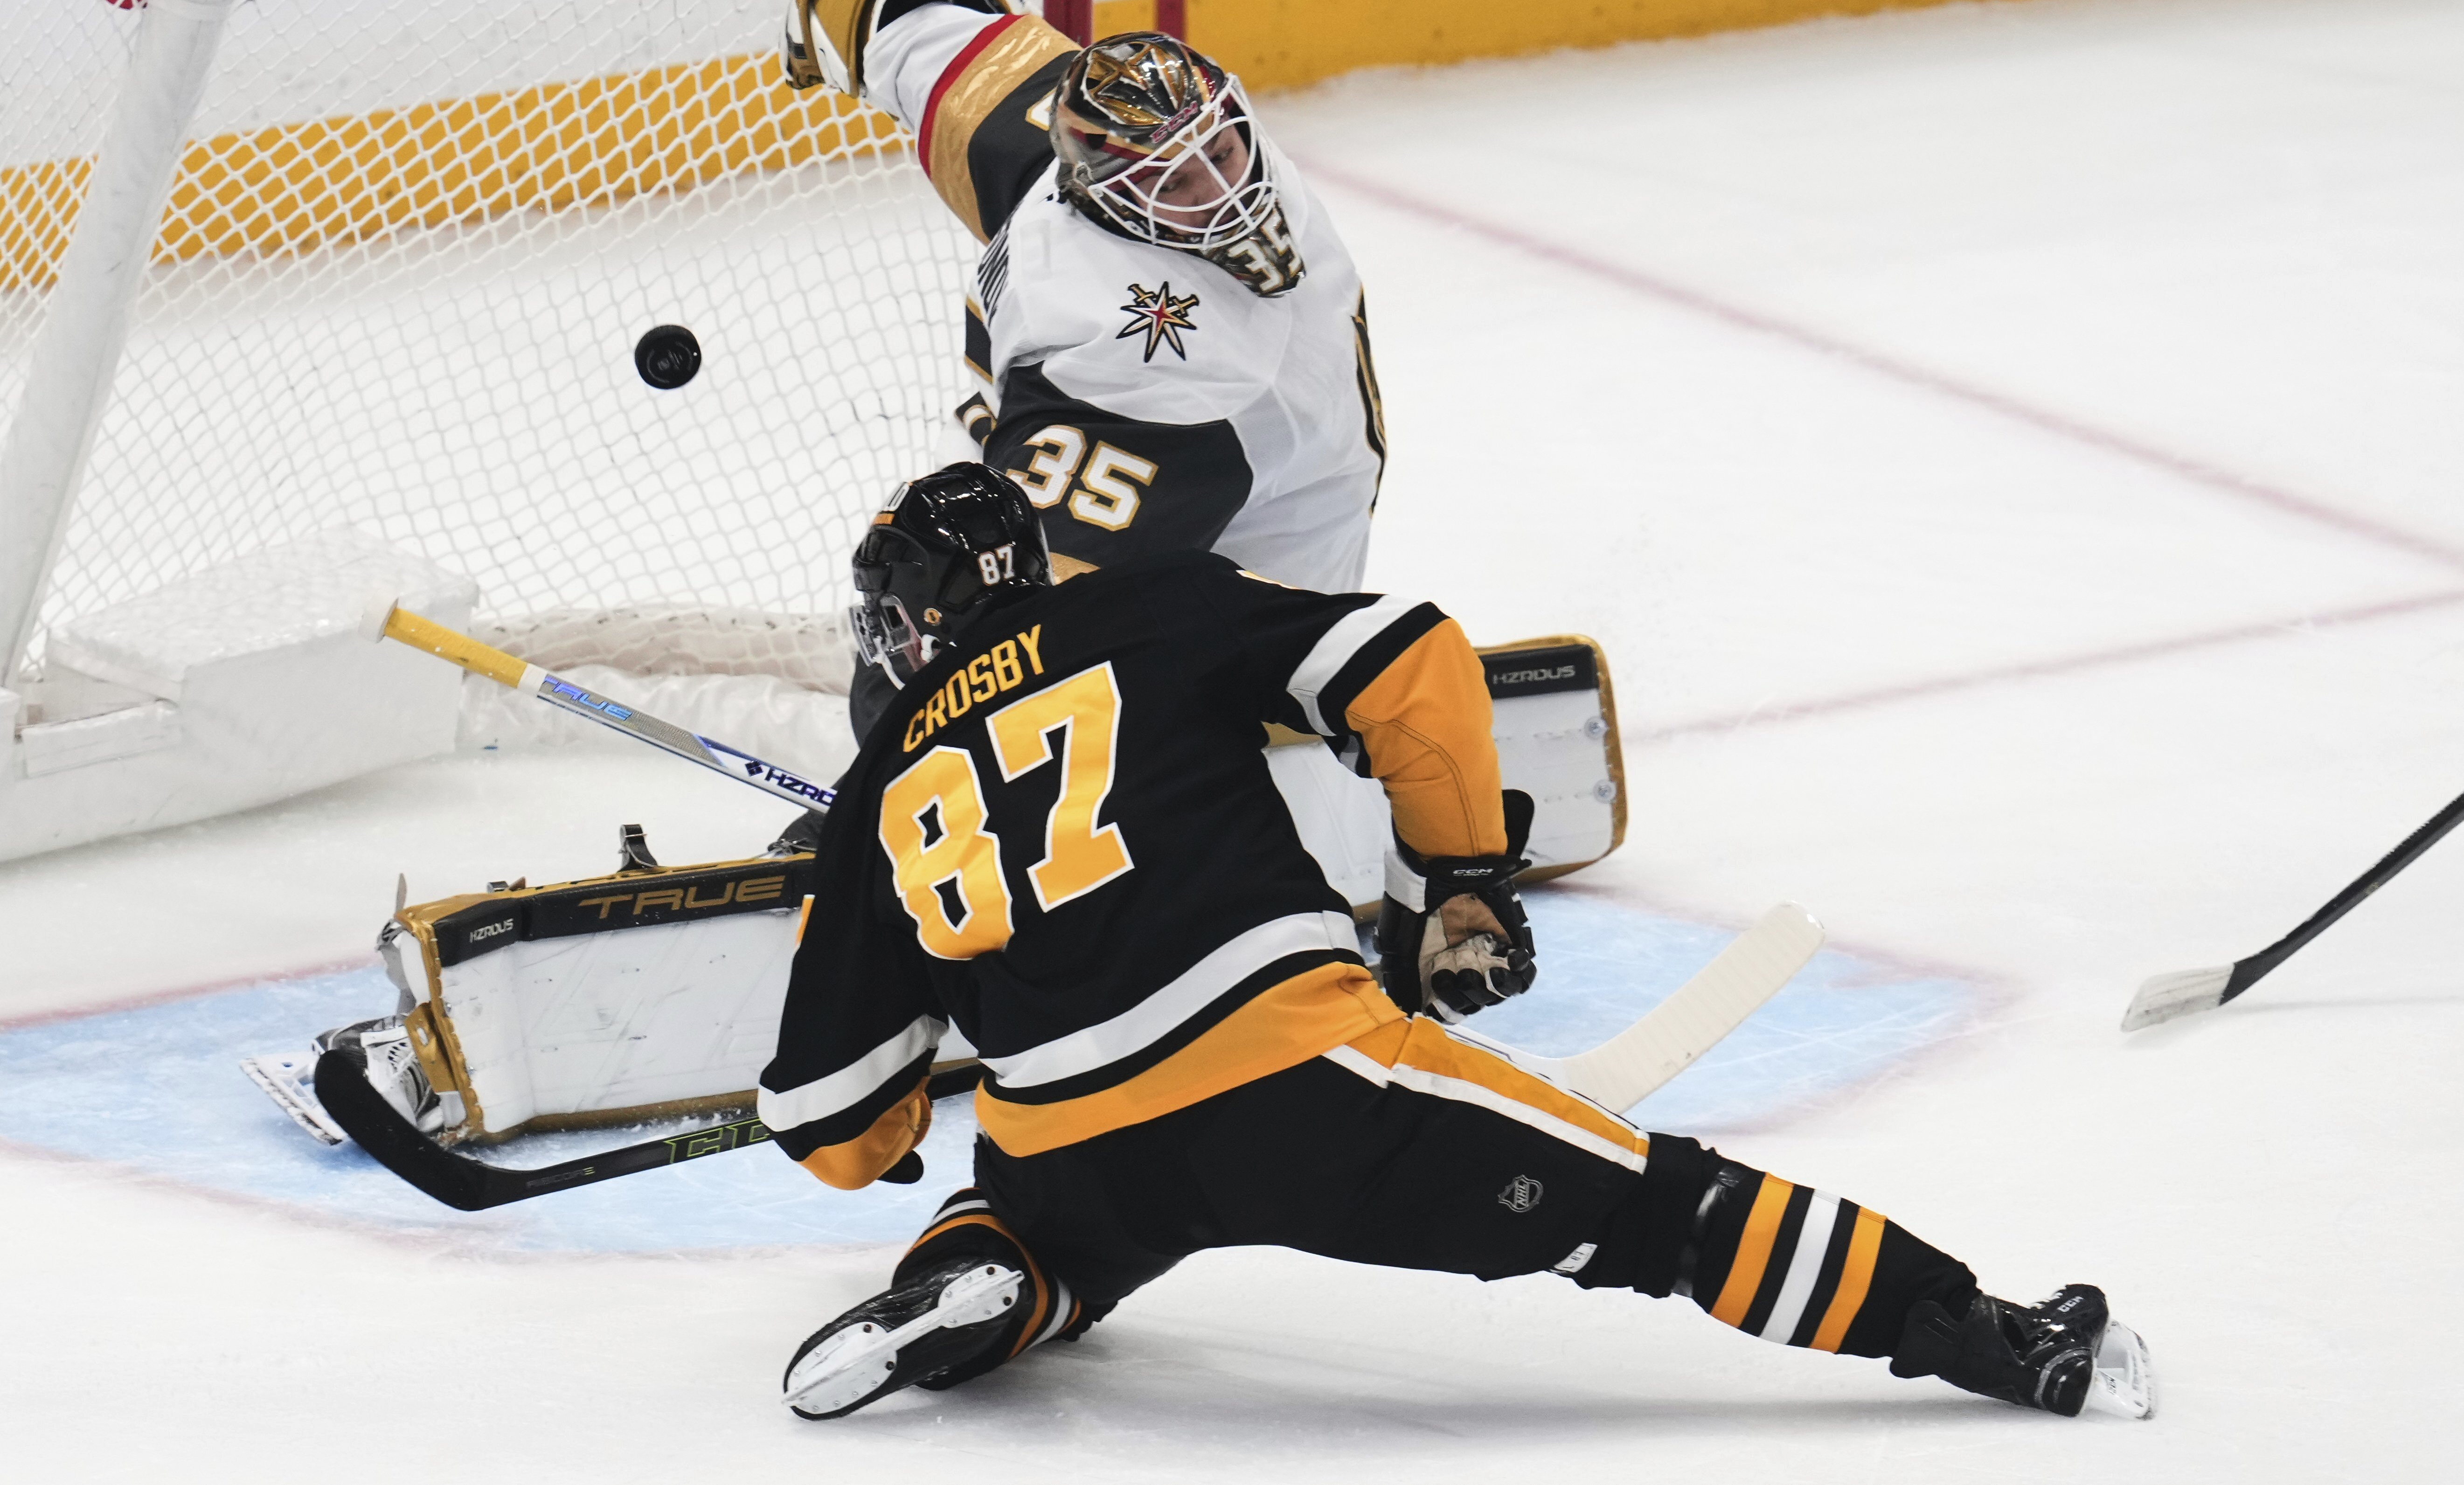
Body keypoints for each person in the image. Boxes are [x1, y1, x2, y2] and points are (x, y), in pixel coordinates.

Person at [754, 465, 2152, 1424]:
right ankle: (1994, 1337)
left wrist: (916, 1084)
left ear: (906, 619)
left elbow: (830, 1124)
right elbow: (1407, 657)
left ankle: (966, 1288)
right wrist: (1453, 883)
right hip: (1297, 1083)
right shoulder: (1144, 605)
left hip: (1067, 1133)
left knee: (1035, 1224)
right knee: (1655, 1210)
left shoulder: (875, 798)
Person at [784, 0, 1388, 741]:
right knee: (952, 568)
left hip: (1263, 525)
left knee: (948, 589)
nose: (1223, 189)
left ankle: (893, 785)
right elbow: (908, 14)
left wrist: (921, 708)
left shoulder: (1186, 374)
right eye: (1176, 179)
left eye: (1222, 149)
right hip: (1066, 418)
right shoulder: (1038, 163)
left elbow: (1013, 604)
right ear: (1097, 190)